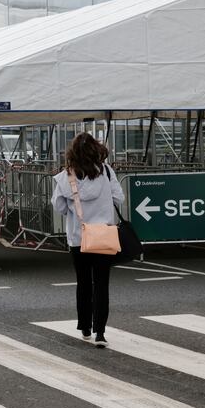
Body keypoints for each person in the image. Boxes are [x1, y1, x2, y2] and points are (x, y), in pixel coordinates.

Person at [51, 133, 123, 348]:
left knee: (83, 283)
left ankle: (85, 327)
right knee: (101, 284)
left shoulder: (66, 177)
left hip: (78, 237)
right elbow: (119, 198)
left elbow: (59, 206)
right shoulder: (107, 172)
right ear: (96, 149)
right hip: (104, 235)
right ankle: (101, 332)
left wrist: (75, 209)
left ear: (72, 153)